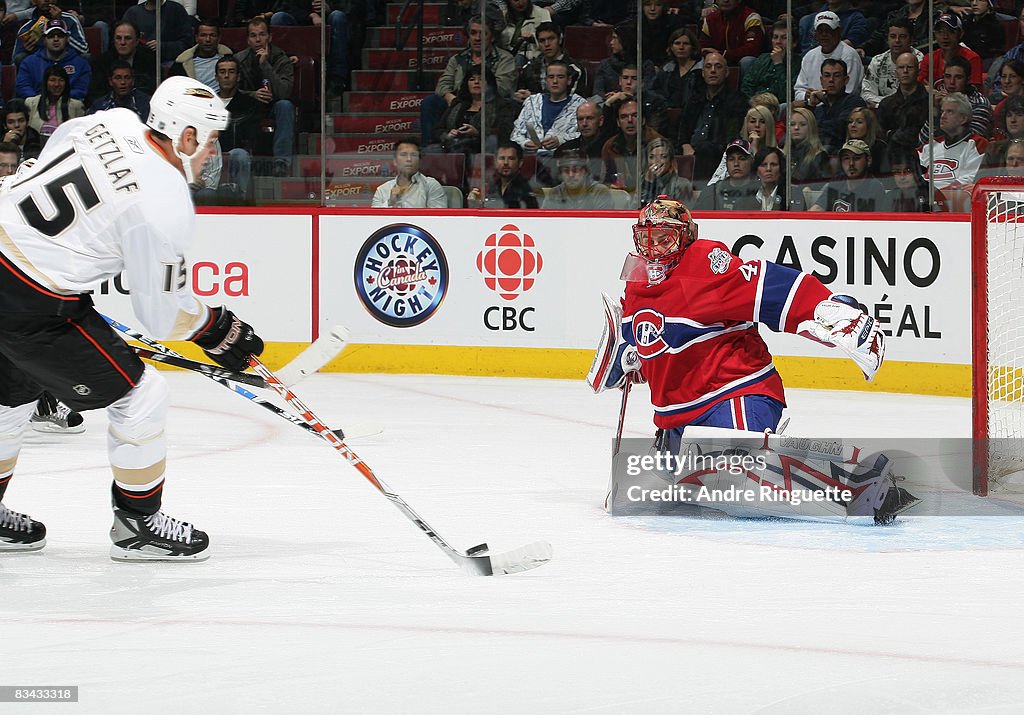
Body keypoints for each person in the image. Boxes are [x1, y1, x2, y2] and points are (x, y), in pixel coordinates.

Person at [0, 76, 265, 559]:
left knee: (9, 396)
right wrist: (217, 329)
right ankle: (137, 524)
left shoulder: (111, 121)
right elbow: (161, 314)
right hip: (32, 301)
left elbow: (52, 148)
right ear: (186, 137)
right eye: (210, 141)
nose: (211, 153)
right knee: (141, 395)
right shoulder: (162, 201)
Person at [588, 197, 911, 524]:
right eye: (647, 238)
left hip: (735, 393)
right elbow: (655, 341)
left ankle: (862, 480)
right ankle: (752, 454)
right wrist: (633, 360)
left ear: (685, 237)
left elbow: (765, 286)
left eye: (665, 237)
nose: (655, 248)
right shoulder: (637, 282)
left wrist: (824, 308)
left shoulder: (703, 264)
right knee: (639, 501)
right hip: (678, 419)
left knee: (734, 482)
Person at [420, 14, 516, 146]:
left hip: (487, 104)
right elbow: (443, 84)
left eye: (483, 34)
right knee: (430, 102)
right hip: (458, 104)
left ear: (492, 37)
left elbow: (502, 87)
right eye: (473, 33)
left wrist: (475, 96)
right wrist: (452, 99)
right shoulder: (457, 59)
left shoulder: (504, 59)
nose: (477, 38)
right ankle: (429, 149)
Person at [233, 16, 296, 177]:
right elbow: (231, 91)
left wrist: (264, 65)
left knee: (285, 105)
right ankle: (245, 159)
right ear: (248, 40)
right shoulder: (239, 60)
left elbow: (284, 93)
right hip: (250, 105)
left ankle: (281, 162)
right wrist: (253, 94)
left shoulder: (282, 60)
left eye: (262, 34)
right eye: (253, 35)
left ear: (270, 37)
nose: (258, 40)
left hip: (273, 105)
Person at [675, 51, 749, 183]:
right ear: (703, 73)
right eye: (708, 67)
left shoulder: (737, 100)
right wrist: (685, 144)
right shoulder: (694, 99)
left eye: (718, 66)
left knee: (706, 150)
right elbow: (682, 126)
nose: (713, 70)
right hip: (691, 150)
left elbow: (731, 135)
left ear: (726, 72)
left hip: (716, 152)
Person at [510, 59, 586, 155]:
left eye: (560, 77)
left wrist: (561, 140)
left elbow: (586, 134)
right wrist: (524, 143)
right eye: (551, 77)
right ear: (545, 80)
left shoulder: (581, 105)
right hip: (530, 157)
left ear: (569, 80)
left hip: (560, 158)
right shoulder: (532, 102)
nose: (555, 81)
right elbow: (515, 134)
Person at [216, 54, 264, 198]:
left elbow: (252, 138)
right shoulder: (207, 104)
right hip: (211, 156)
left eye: (231, 72)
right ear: (216, 76)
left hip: (236, 154)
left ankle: (241, 200)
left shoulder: (250, 104)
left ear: (238, 77)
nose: (226, 76)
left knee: (240, 154)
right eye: (222, 72)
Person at [793, 11, 864, 107]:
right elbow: (798, 91)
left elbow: (848, 92)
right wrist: (806, 96)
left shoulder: (850, 56)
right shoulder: (809, 56)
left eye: (828, 30)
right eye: (820, 31)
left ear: (838, 31)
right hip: (812, 106)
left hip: (843, 108)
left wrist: (819, 97)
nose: (824, 34)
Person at [16, 17, 91, 101]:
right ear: (44, 40)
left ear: (67, 39)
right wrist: (40, 100)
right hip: (37, 104)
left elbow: (81, 89)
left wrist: (59, 100)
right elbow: (23, 87)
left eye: (60, 36)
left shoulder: (80, 63)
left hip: (69, 104)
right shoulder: (29, 62)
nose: (56, 39)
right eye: (51, 36)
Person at [87, 20, 158, 105]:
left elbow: (152, 91)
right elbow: (95, 93)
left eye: (128, 38)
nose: (122, 42)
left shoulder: (150, 60)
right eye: (118, 38)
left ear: (136, 41)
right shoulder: (101, 62)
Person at [810, 138, 888, 212]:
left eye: (857, 158)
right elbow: (817, 208)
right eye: (846, 158)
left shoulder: (874, 187)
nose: (851, 163)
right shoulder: (837, 182)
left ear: (868, 160)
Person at [861, 18, 922, 110]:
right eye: (893, 36)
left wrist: (883, 103)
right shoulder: (877, 61)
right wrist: (888, 105)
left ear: (911, 39)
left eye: (902, 36)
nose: (897, 40)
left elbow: (919, 96)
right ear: (887, 39)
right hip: (882, 112)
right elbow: (866, 94)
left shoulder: (920, 60)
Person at [514, 21, 585, 100]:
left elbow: (574, 101)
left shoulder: (574, 69)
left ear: (560, 39)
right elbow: (520, 94)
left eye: (551, 39)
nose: (547, 44)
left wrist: (534, 97)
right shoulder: (528, 68)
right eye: (542, 40)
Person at [810, 58, 867, 156]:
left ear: (846, 80)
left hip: (843, 152)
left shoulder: (854, 102)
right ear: (821, 80)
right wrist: (811, 106)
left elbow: (838, 129)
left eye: (836, 76)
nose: (831, 80)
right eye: (827, 76)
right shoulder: (818, 109)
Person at [371, 138, 447, 208]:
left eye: (413, 155)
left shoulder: (430, 186)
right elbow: (374, 219)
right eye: (403, 154)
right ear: (395, 161)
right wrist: (390, 203)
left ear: (419, 160)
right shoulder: (382, 190)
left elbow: (438, 219)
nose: (409, 159)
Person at [876, 51, 929, 149]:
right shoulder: (886, 104)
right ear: (896, 73)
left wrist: (892, 134)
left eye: (910, 67)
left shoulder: (929, 101)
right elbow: (881, 136)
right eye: (901, 67)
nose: (905, 71)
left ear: (918, 71)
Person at [740, 18, 799, 104]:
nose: (778, 42)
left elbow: (786, 96)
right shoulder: (762, 59)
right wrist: (753, 102)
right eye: (775, 37)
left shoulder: (799, 64)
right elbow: (747, 87)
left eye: (784, 38)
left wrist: (778, 64)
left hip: (779, 106)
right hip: (756, 104)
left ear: (794, 43)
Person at [466, 141, 539, 208]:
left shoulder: (526, 188)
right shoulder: (493, 185)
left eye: (511, 158)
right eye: (502, 158)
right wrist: (475, 205)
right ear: (495, 162)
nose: (506, 163)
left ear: (520, 163)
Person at [168, 18, 234, 93]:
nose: (208, 39)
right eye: (203, 35)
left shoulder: (231, 57)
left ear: (219, 38)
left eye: (212, 35)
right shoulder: (182, 63)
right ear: (196, 38)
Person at [693, 138, 760, 210]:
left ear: (751, 161)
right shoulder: (711, 192)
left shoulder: (761, 191)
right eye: (731, 159)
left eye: (742, 159)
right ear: (726, 163)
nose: (736, 164)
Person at [25, 64, 85, 142]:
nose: (57, 84)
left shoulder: (77, 106)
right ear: (45, 83)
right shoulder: (31, 103)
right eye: (52, 80)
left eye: (61, 80)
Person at [121, 0, 194, 64]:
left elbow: (187, 43)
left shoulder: (176, 10)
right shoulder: (132, 13)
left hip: (169, 62)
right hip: (139, 64)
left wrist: (162, 47)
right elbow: (122, 41)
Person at [540, 146, 614, 209]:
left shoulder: (599, 192)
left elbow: (602, 224)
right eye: (566, 170)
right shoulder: (554, 193)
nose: (571, 174)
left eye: (576, 170)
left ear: (585, 172)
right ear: (560, 173)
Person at [650, 27, 703, 109]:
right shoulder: (666, 69)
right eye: (677, 43)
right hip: (668, 112)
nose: (681, 47)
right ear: (671, 47)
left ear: (693, 47)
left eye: (686, 43)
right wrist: (664, 104)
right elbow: (652, 90)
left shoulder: (701, 70)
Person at [638, 137, 694, 205]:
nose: (657, 161)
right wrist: (648, 183)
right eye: (652, 157)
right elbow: (634, 209)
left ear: (671, 161)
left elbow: (685, 212)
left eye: (663, 156)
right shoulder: (641, 182)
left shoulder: (682, 184)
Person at [501, 0, 550, 68]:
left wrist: (533, 38)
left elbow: (549, 39)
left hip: (533, 54)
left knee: (518, 59)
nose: (520, 2)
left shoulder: (542, 13)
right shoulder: (502, 15)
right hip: (507, 55)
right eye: (515, 0)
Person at [753, 145, 787, 210]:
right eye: (763, 165)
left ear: (781, 168)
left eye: (773, 164)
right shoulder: (749, 194)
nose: (768, 169)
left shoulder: (789, 195)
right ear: (757, 171)